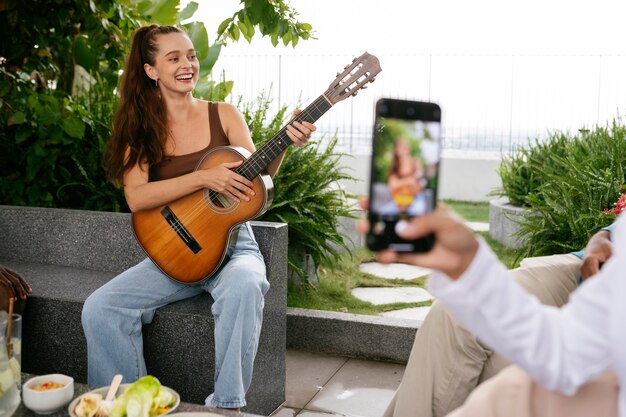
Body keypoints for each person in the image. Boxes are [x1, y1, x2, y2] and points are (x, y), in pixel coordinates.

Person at [81, 24, 316, 411]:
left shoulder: (223, 115)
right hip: (175, 251)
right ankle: (129, 406)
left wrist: (287, 143)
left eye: (190, 55)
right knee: (101, 308)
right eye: (173, 58)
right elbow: (137, 197)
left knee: (246, 283)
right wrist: (203, 177)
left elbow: (259, 180)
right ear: (151, 70)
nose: (188, 64)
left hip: (232, 247)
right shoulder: (140, 130)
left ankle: (226, 406)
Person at [369, 204, 626, 417]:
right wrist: (468, 266)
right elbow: (568, 353)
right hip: (590, 279)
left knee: (502, 388)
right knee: (451, 315)